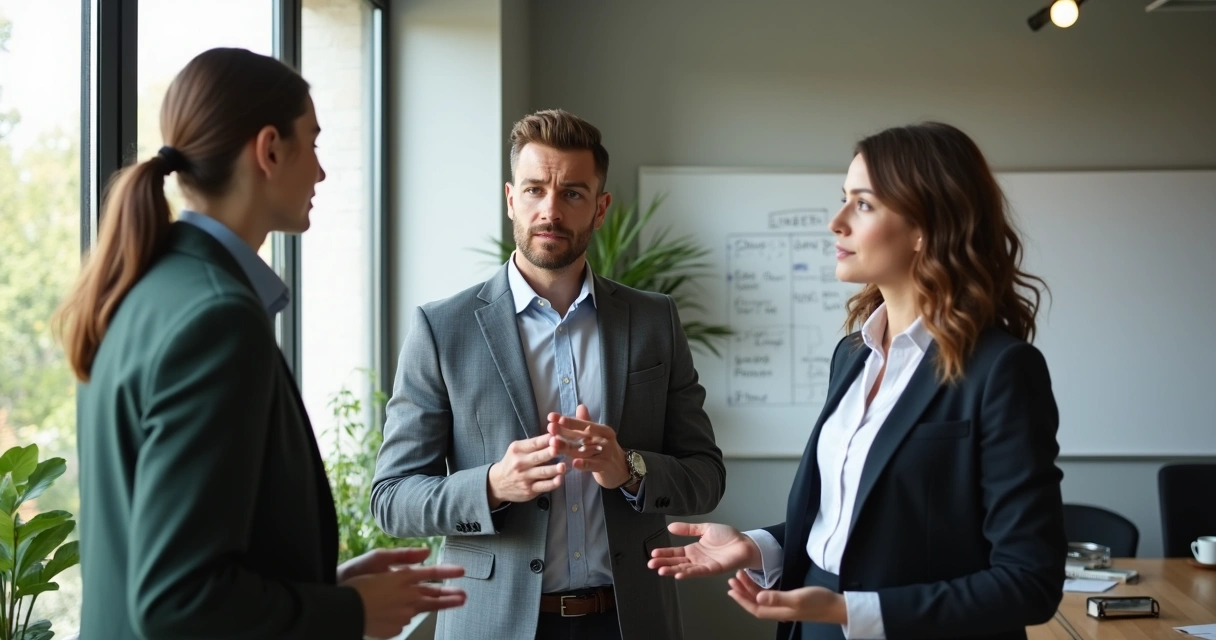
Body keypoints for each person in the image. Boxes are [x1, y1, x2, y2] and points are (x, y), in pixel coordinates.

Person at [55, 47, 466, 639]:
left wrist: (328, 589)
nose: (322, 173)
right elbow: (178, 603)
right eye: (314, 143)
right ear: (270, 149)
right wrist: (349, 613)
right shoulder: (216, 318)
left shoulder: (142, 289)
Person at [647, 122, 1066, 640]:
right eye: (843, 200)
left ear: (925, 227)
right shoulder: (852, 355)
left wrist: (851, 611)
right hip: (813, 625)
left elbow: (1031, 582)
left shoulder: (1002, 370)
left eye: (863, 205)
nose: (836, 222)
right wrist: (759, 547)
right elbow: (849, 520)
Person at [370, 108, 726, 640]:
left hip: (629, 619)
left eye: (573, 194)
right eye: (535, 190)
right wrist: (491, 485)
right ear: (512, 198)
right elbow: (391, 499)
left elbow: (706, 475)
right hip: (494, 624)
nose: (551, 211)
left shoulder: (654, 320)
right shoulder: (441, 329)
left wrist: (629, 469)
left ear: (600, 208)